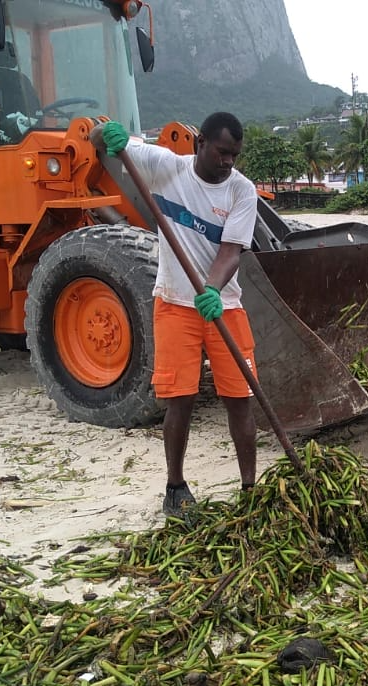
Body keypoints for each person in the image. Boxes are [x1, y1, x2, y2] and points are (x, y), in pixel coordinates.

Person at [96, 113, 259, 515]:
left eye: (234, 156)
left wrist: (213, 290)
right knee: (180, 399)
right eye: (222, 153)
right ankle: (175, 487)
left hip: (223, 304)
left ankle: (250, 490)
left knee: (241, 399)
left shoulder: (242, 191)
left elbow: (231, 251)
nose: (228, 163)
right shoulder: (164, 166)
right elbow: (98, 139)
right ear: (199, 143)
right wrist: (106, 135)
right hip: (173, 303)